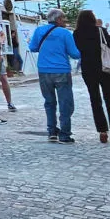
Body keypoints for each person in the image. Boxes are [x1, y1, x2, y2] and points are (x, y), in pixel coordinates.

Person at [30, 9, 81, 144]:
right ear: (58, 19)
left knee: (49, 102)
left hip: (44, 70)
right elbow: (74, 53)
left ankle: (52, 131)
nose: (64, 21)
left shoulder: (39, 31)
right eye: (63, 18)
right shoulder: (65, 33)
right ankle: (64, 134)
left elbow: (33, 47)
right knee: (66, 103)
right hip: (61, 70)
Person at [72, 11, 110, 143]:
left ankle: (102, 131)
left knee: (95, 99)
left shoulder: (77, 33)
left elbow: (78, 50)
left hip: (88, 69)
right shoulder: (100, 31)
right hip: (104, 67)